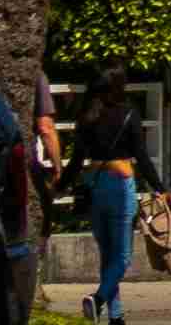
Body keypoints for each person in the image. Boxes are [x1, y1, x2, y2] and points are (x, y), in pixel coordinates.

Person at [68, 72, 149, 323]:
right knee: (122, 257)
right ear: (118, 89)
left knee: (107, 254)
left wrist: (59, 185)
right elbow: (142, 157)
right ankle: (99, 299)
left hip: (94, 183)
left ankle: (116, 316)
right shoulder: (128, 114)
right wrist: (160, 187)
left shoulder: (87, 117)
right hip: (120, 183)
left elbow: (76, 161)